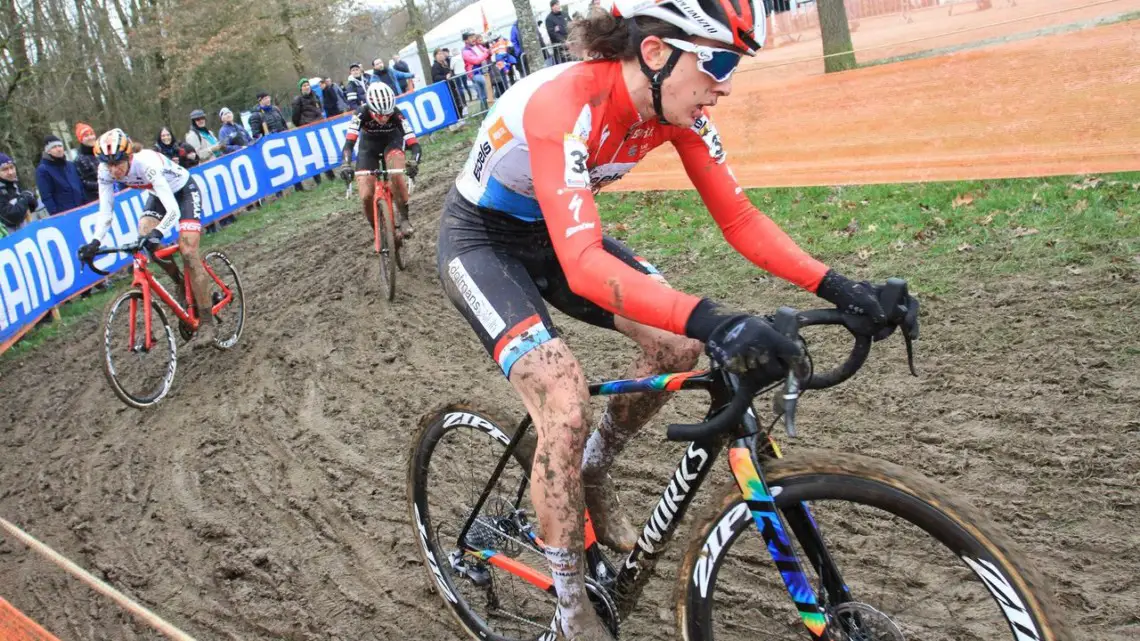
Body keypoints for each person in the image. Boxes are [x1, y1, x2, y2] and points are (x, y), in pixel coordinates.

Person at [435, 2, 918, 639]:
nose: (724, 84)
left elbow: (741, 220)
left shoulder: (675, 109)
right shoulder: (566, 104)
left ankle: (593, 468)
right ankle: (572, 608)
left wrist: (841, 287)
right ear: (658, 53)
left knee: (678, 346)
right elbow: (583, 266)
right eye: (717, 61)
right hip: (482, 242)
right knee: (564, 398)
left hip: (556, 234)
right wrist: (718, 318)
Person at [77, 129, 218, 343]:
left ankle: (207, 322)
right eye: (109, 165)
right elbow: (106, 211)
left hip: (183, 192)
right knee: (144, 233)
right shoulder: (104, 171)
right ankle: (179, 282)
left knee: (188, 251)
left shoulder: (146, 163)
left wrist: (159, 232)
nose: (114, 171)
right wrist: (95, 242)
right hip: (158, 195)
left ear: (129, 157)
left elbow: (173, 211)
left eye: (118, 163)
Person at [339, 83, 420, 239]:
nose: (384, 118)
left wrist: (414, 161)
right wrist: (346, 164)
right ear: (370, 108)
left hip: (392, 142)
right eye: (379, 115)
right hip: (368, 147)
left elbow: (414, 144)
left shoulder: (397, 114)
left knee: (396, 174)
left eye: (387, 114)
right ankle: (378, 232)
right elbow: (349, 144)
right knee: (366, 195)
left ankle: (404, 218)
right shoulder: (360, 114)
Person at [292, 79, 335, 183]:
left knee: (324, 152)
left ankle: (330, 175)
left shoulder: (315, 96)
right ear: (300, 88)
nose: (306, 87)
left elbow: (320, 108)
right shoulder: (298, 100)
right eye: (304, 86)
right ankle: (318, 180)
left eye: (307, 85)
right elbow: (295, 117)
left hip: (319, 127)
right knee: (313, 155)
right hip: (308, 130)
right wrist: (303, 125)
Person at [35, 135, 87, 215]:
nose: (58, 149)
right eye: (54, 147)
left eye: (60, 146)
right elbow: (46, 196)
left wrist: (85, 203)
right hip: (64, 213)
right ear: (48, 151)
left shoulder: (70, 165)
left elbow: (80, 186)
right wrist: (55, 214)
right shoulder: (43, 170)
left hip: (82, 209)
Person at [0, 153, 37, 236]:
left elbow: (33, 205)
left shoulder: (15, 184)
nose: (10, 172)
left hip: (28, 231)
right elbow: (12, 217)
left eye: (12, 167)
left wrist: (27, 199)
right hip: (12, 240)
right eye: (5, 169)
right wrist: (24, 199)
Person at [461, 32, 491, 111]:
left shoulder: (479, 46)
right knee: (487, 84)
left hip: (484, 71)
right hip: (475, 74)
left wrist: (489, 51)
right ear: (466, 41)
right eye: (470, 38)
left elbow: (488, 52)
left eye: (473, 37)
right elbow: (476, 61)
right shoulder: (465, 52)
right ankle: (489, 107)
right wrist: (486, 53)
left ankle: (484, 112)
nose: (473, 39)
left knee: (483, 96)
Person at [74, 123, 101, 203]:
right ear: (81, 139)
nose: (90, 137)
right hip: (98, 197)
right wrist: (105, 184)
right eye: (86, 136)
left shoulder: (102, 151)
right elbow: (85, 182)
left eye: (91, 134)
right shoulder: (80, 159)